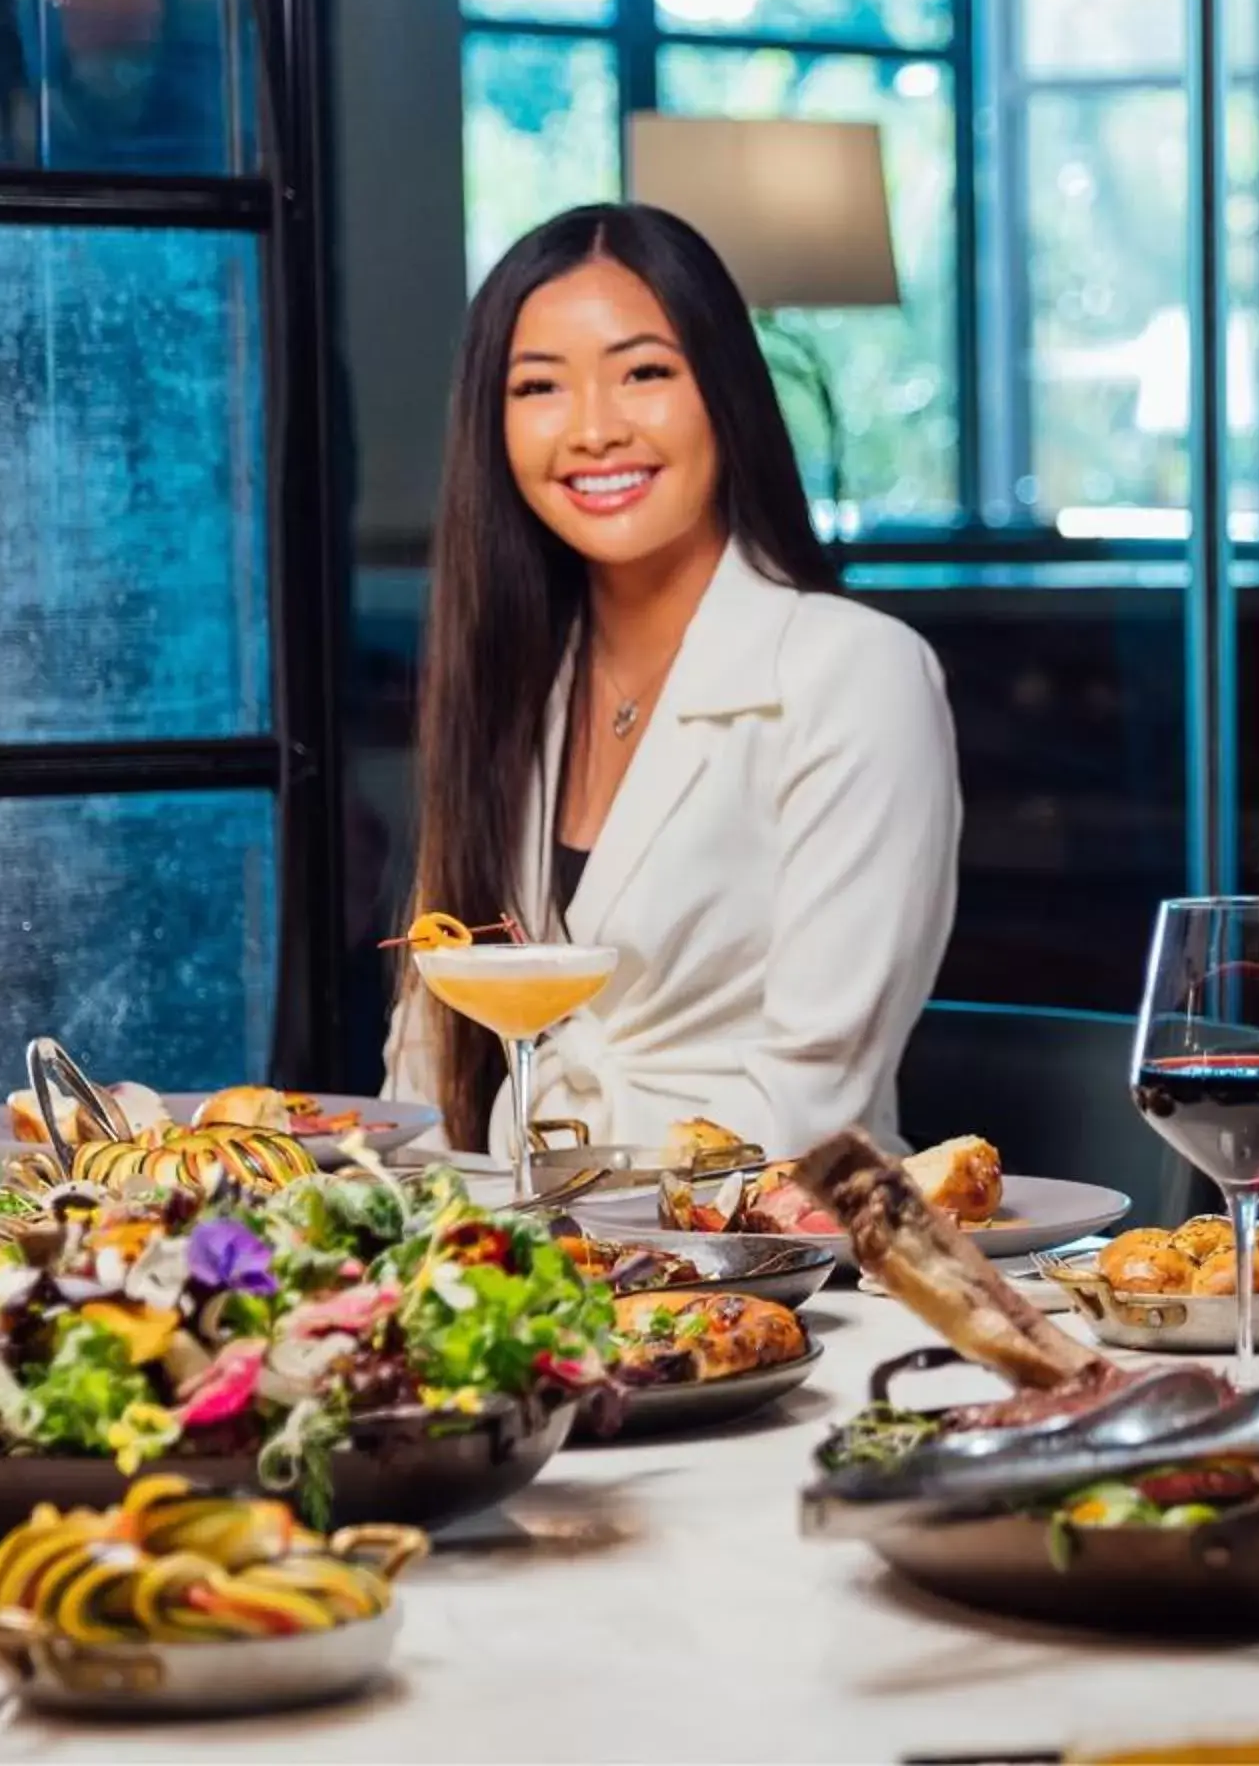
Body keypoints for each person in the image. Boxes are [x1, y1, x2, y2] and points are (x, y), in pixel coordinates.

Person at [382, 203, 961, 1160]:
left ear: (724, 394)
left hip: (779, 1266)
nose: (596, 430)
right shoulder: (511, 680)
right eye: (539, 388)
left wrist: (555, 1200)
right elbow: (426, 1060)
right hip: (523, 1262)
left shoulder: (853, 671)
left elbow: (817, 1099)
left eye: (645, 373)